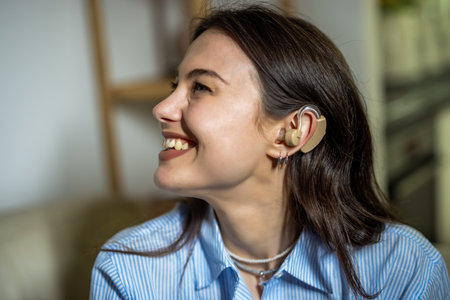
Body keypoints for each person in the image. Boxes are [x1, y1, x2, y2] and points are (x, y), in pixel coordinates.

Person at [90, 5, 450, 299]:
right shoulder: (128, 271)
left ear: (292, 132)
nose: (162, 108)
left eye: (200, 86)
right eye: (175, 85)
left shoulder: (404, 271)